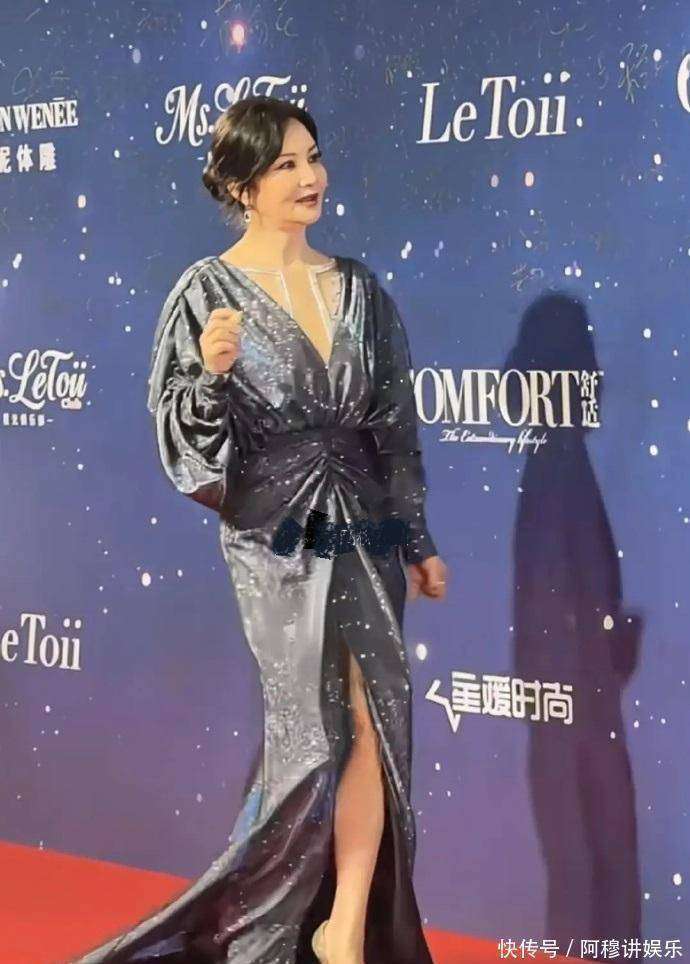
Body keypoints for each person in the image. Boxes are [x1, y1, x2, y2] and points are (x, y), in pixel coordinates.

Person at [74, 94, 448, 964]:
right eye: (286, 164)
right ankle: (254, 926)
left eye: (313, 156)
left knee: (377, 719)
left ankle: (346, 925)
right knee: (312, 738)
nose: (311, 176)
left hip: (364, 526)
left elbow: (395, 428)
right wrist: (211, 376)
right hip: (276, 536)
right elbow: (186, 447)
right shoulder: (204, 295)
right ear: (242, 186)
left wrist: (418, 538)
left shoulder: (360, 289)